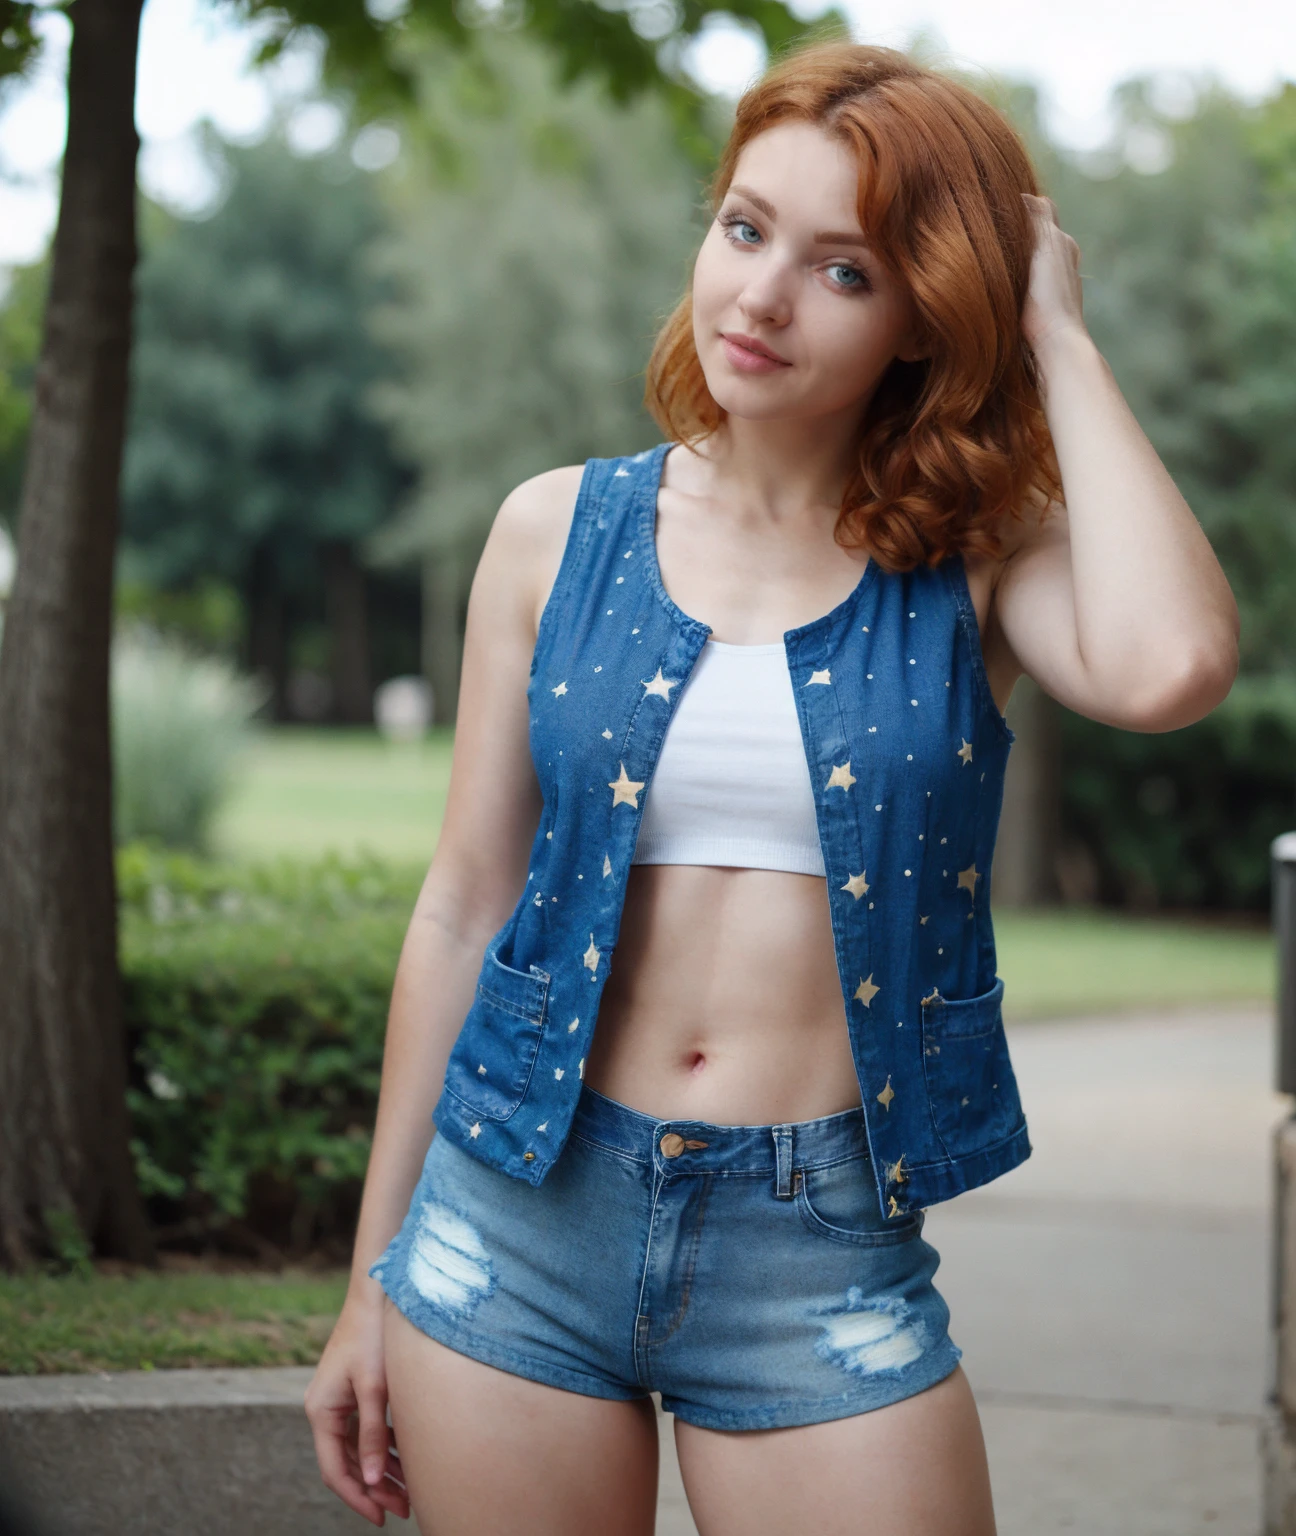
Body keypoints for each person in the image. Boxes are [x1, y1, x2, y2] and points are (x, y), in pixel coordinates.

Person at [305, 38, 1238, 1535]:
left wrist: (1061, 335)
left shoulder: (975, 565)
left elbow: (1173, 664)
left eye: (844, 269)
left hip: (817, 1250)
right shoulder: (554, 534)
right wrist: (370, 1283)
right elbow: (462, 904)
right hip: (517, 1217)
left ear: (929, 316)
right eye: (744, 228)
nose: (760, 297)